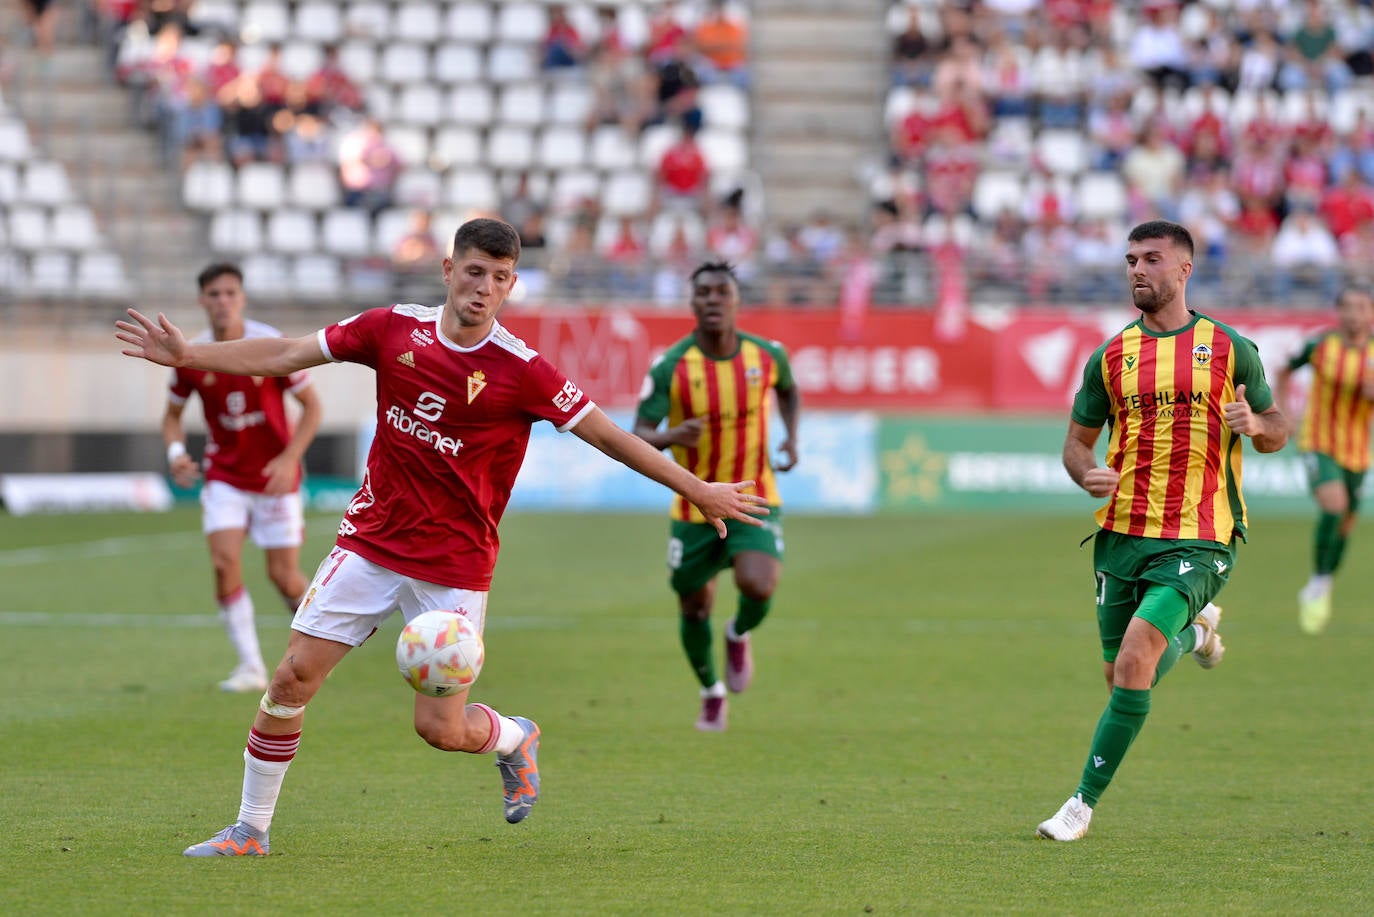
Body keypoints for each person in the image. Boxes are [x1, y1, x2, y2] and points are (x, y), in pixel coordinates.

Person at [116, 219, 767, 856]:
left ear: (511, 287)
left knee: (440, 728)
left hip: (455, 568)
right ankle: (249, 830)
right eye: (475, 271)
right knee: (290, 678)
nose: (484, 287)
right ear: (449, 269)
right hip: (370, 544)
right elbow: (286, 353)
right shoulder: (390, 328)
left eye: (500, 278)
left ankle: (514, 738)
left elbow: (610, 436)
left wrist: (697, 487)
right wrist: (191, 354)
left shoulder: (523, 370)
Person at [1037, 220, 1288, 841]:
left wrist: (1255, 425)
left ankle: (1079, 806)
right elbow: (1075, 444)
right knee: (1122, 675)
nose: (1137, 271)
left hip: (1203, 533)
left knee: (1133, 659)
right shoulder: (1111, 356)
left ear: (1184, 270)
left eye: (1151, 259)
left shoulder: (1229, 348)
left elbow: (1278, 428)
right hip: (1122, 534)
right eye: (1130, 261)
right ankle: (1199, 635)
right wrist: (1085, 473)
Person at [633, 261, 799, 731]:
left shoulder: (767, 356)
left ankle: (738, 632)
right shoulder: (671, 365)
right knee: (694, 606)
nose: (712, 300)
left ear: (735, 301)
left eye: (721, 292)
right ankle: (711, 689)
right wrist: (672, 435)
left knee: (759, 585)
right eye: (702, 293)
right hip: (693, 506)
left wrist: (791, 437)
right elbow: (639, 433)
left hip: (754, 495)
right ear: (692, 303)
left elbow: (789, 391)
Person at [164, 263, 322, 694]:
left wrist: (290, 458)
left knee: (285, 577)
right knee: (223, 562)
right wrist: (177, 453)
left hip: (274, 477)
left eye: (230, 293)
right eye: (214, 294)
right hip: (225, 475)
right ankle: (251, 666)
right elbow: (172, 418)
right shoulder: (189, 355)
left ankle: (320, 649)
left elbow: (312, 407)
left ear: (242, 298)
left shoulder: (268, 344)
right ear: (202, 301)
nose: (223, 301)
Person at [1274, 287, 1374, 635]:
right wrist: (1283, 412)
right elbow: (1284, 370)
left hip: (1358, 451)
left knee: (1346, 522)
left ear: (1370, 314)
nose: (1354, 315)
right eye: (1347, 308)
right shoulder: (1320, 346)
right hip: (1318, 441)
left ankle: (1324, 577)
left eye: (1361, 308)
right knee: (1334, 506)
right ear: (1338, 312)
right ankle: (1317, 582)